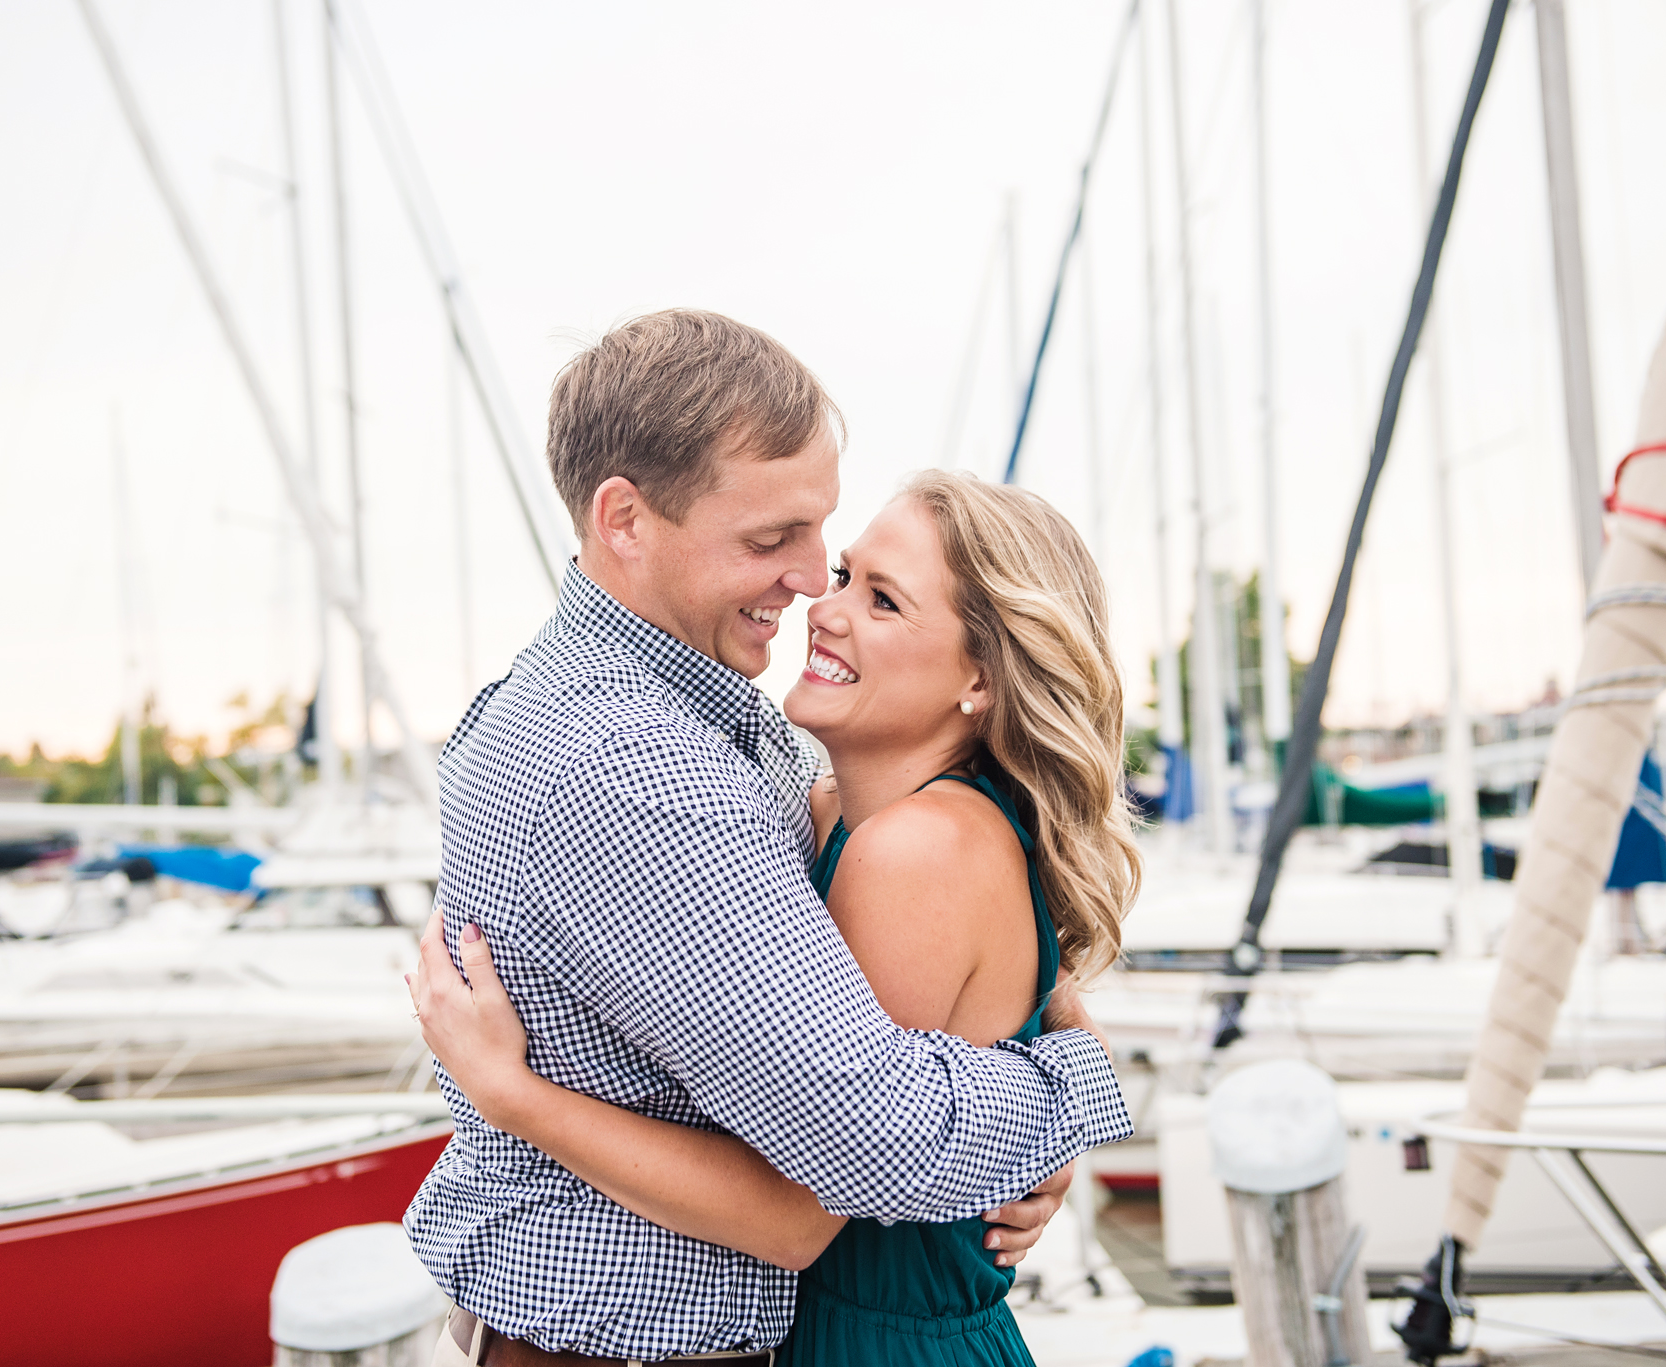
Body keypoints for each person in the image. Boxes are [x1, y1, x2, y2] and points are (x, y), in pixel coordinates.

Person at [403, 310, 1133, 1367]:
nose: (808, 582)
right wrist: (1061, 1087)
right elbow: (849, 1162)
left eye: (827, 544)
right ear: (624, 519)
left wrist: (1042, 1031)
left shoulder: (698, 721)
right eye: (771, 540)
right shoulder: (640, 769)